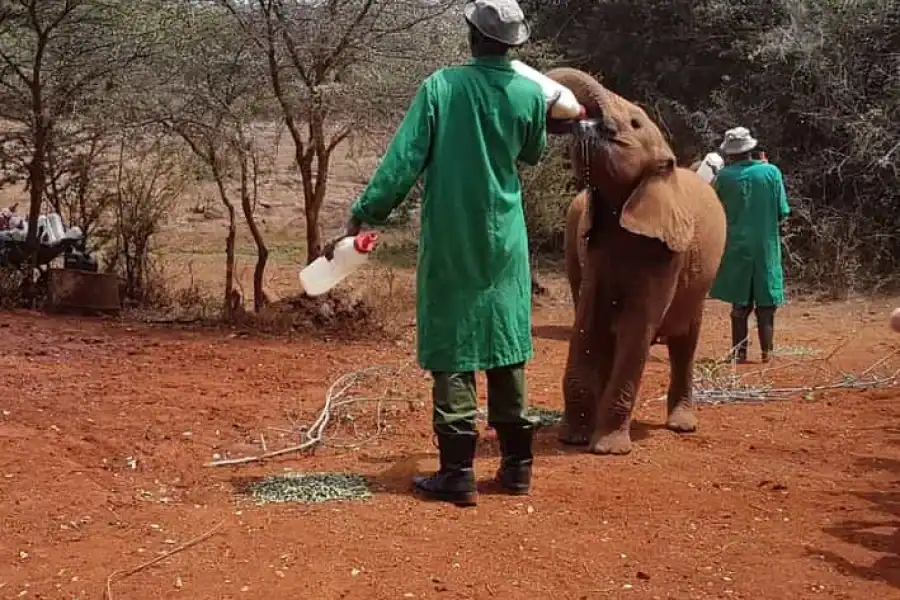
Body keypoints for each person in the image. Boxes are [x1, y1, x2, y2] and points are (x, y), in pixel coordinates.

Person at [325, 0, 555, 507]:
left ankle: (458, 474)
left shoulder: (442, 87)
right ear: (513, 44)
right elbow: (534, 151)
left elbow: (404, 160)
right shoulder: (529, 93)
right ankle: (517, 468)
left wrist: (366, 212)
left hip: (454, 235)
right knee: (506, 340)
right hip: (507, 240)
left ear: (473, 36)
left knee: (454, 343)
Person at [710, 127, 791, 363]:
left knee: (740, 302)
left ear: (730, 154)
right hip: (765, 247)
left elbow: (716, 211)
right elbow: (781, 211)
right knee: (766, 303)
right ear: (752, 149)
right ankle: (768, 353)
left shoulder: (723, 178)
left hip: (735, 246)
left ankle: (739, 353)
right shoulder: (771, 172)